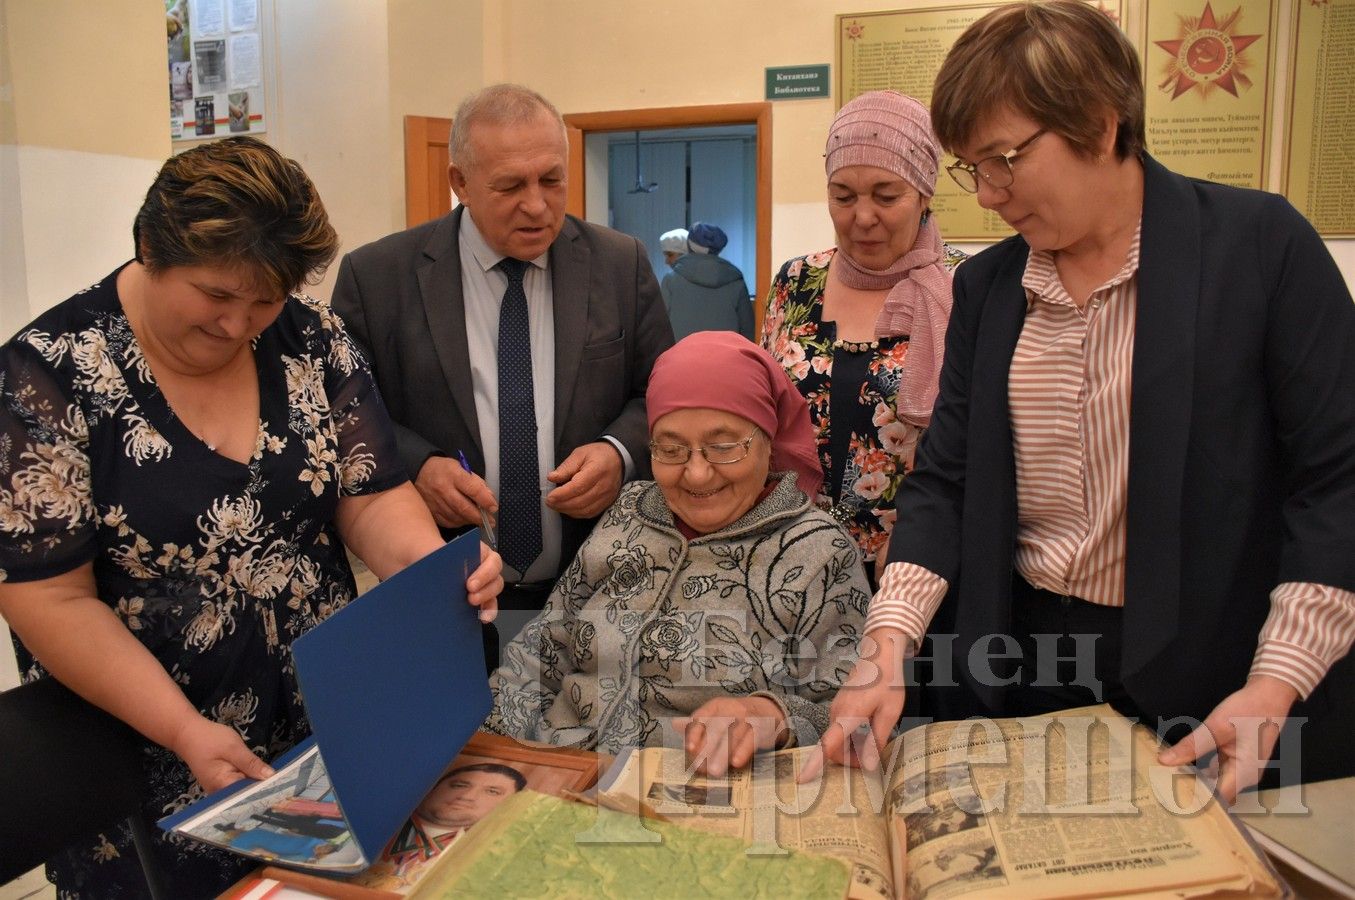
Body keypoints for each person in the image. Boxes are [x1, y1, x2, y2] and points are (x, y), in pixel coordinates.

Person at [819, 0, 1355, 802]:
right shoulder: (990, 286)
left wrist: (1277, 679)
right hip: (1026, 664)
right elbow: (945, 479)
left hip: (1216, 673)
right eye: (973, 168)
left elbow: (1335, 482)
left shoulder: (1258, 247)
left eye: (1004, 160)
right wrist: (887, 641)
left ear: (1101, 124)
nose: (989, 194)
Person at [0, 136, 503, 897]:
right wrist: (181, 729)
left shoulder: (310, 341)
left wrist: (429, 570)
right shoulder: (47, 379)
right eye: (214, 296)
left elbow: (368, 494)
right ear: (147, 248)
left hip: (324, 731)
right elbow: (48, 597)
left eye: (263, 299)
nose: (239, 325)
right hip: (150, 757)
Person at [331, 83, 674, 667]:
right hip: (445, 593)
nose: (537, 205)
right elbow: (343, 410)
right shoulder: (377, 278)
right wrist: (414, 467)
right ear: (459, 182)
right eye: (510, 186)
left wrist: (619, 452)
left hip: (594, 593)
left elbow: (661, 394)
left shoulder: (620, 264)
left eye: (552, 180)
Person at [484, 331, 870, 775]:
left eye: (724, 447)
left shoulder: (819, 549)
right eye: (670, 450)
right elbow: (542, 652)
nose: (698, 474)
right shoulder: (628, 514)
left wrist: (772, 716)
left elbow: (852, 715)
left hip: (692, 794)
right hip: (556, 773)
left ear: (768, 439)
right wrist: (489, 756)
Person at [762, 91, 964, 586]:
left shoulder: (965, 288)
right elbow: (763, 410)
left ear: (924, 194)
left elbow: (978, 442)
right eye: (844, 195)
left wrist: (920, 535)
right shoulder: (797, 281)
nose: (863, 216)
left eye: (886, 194)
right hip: (792, 560)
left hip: (916, 565)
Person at [351, 762, 527, 891]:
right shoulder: (366, 817)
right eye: (459, 785)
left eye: (492, 791)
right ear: (432, 788)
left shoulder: (487, 864)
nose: (467, 796)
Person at [660, 222, 754, 341]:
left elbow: (660, 327)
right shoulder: (736, 282)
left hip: (681, 357)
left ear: (689, 245)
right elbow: (747, 331)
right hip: (725, 357)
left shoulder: (671, 280)